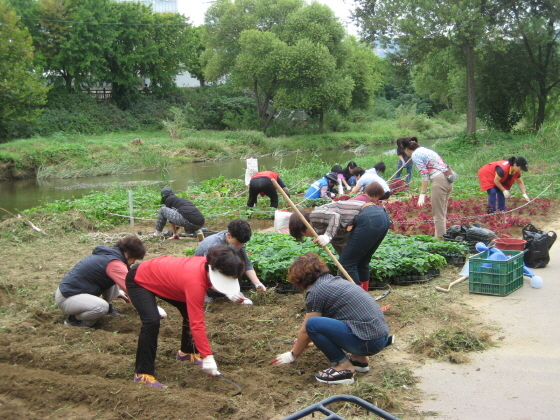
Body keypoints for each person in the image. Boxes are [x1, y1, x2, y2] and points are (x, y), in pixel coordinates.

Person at [126, 244, 245, 387]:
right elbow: (197, 323)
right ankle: (143, 373)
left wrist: (228, 292)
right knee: (151, 321)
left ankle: (187, 352)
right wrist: (207, 355)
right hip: (140, 280)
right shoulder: (195, 281)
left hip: (169, 283)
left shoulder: (207, 265)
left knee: (189, 313)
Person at [270, 252, 393, 385]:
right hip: (379, 338)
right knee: (326, 323)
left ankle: (343, 366)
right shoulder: (334, 282)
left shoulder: (316, 292)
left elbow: (308, 329)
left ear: (299, 278)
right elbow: (330, 325)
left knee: (312, 324)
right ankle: (359, 360)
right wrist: (305, 340)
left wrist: (292, 355)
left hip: (367, 342)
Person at [290, 182, 391, 290]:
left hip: (369, 216)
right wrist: (328, 237)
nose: (309, 237)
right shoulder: (325, 228)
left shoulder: (315, 215)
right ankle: (365, 299)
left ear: (302, 227)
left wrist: (327, 236)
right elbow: (344, 250)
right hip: (382, 217)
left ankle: (357, 301)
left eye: (303, 234)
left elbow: (335, 216)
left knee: (347, 265)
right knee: (361, 262)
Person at [55, 236, 146, 327]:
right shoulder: (114, 263)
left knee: (111, 277)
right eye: (134, 258)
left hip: (72, 292)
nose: (134, 262)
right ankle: (74, 320)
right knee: (101, 307)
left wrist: (118, 292)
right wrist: (152, 308)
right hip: (67, 297)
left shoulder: (109, 255)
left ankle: (109, 310)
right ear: (127, 253)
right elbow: (132, 288)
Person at [195, 218, 266, 303]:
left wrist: (257, 283)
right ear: (229, 235)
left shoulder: (237, 242)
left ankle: (233, 292)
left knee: (238, 261)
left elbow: (246, 264)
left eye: (242, 244)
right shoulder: (213, 246)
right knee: (211, 294)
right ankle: (203, 293)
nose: (239, 247)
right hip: (203, 274)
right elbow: (205, 272)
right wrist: (228, 292)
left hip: (219, 270)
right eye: (237, 244)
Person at [402, 138, 453, 238]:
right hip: (448, 178)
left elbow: (424, 174)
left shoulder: (415, 155)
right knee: (442, 212)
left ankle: (441, 241)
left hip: (439, 181)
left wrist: (422, 194)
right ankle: (441, 236)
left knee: (438, 214)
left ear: (406, 149)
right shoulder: (425, 150)